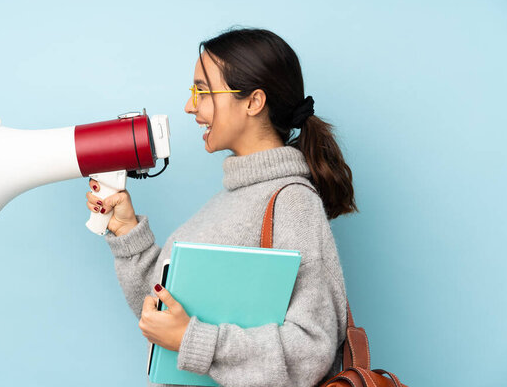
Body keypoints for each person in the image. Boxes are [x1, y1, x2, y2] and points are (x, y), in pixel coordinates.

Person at [85, 27, 358, 387]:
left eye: (202, 91)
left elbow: (311, 349)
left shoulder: (292, 201)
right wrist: (126, 231)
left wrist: (192, 340)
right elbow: (162, 317)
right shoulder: (228, 201)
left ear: (253, 102)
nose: (190, 106)